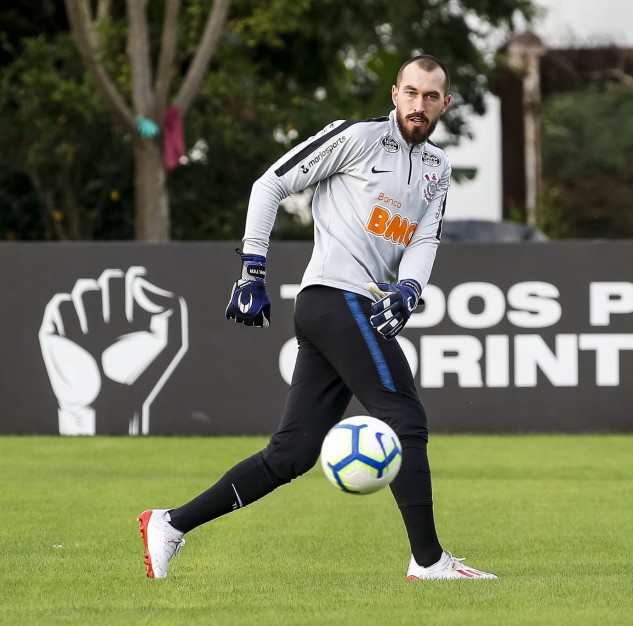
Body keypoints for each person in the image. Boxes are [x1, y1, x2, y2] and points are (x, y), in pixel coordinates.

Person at [137, 55, 496, 581]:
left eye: (431, 96)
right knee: (405, 418)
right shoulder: (355, 137)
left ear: (446, 103)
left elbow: (424, 239)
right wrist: (252, 270)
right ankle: (429, 561)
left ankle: (168, 524)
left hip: (349, 308)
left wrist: (411, 287)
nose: (420, 105)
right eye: (412, 93)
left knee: (292, 454)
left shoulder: (438, 170)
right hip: (335, 298)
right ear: (394, 93)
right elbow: (270, 185)